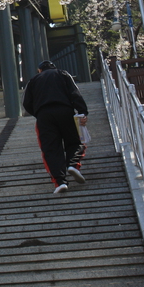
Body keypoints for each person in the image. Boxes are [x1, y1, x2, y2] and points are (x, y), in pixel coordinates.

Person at [22, 60, 89, 194]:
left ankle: (60, 182)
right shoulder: (63, 74)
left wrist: (39, 113)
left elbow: (26, 103)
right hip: (65, 111)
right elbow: (75, 93)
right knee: (74, 141)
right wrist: (82, 112)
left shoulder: (33, 81)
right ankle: (74, 165)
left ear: (40, 70)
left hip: (44, 115)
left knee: (50, 149)